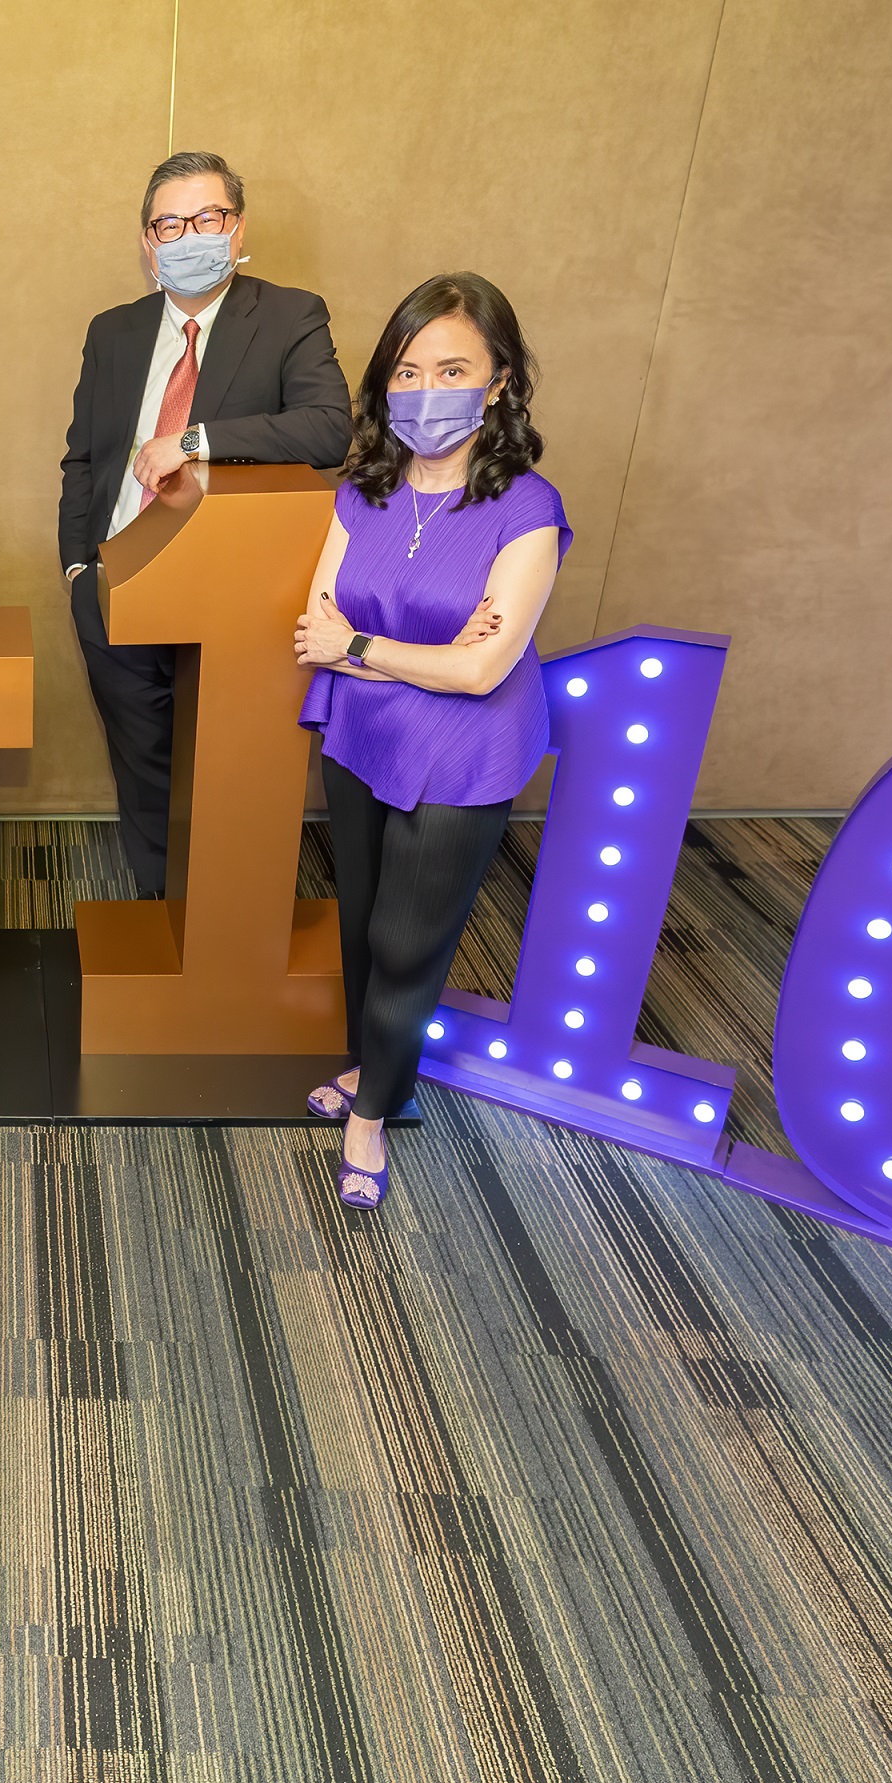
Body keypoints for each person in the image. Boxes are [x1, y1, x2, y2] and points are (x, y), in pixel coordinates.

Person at [291, 273, 566, 1211]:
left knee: (410, 941)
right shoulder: (362, 491)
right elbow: (312, 624)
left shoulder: (527, 507)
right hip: (362, 736)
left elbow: (481, 671)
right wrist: (409, 659)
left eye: (453, 369)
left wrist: (362, 649)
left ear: (497, 383)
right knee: (363, 922)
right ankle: (374, 1068)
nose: (425, 391)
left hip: (465, 755)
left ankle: (373, 1113)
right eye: (407, 371)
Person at [58, 150, 351, 896]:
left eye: (207, 217)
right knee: (144, 761)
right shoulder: (113, 331)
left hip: (237, 594)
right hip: (119, 580)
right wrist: (77, 569)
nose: (189, 235)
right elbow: (83, 461)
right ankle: (163, 904)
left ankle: (229, 918)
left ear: (237, 225)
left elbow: (327, 430)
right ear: (148, 242)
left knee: (232, 767)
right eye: (169, 223)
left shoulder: (290, 315)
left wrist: (193, 441)